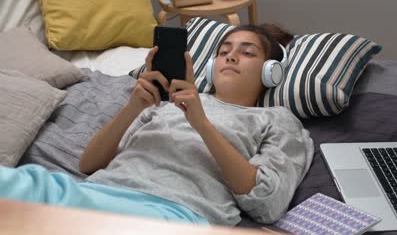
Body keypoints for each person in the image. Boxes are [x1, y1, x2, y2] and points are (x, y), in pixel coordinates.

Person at [0, 24, 314, 226]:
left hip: (171, 214)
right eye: (223, 51)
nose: (231, 57)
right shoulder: (164, 107)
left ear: (271, 72)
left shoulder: (276, 120)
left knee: (27, 193)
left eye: (247, 53)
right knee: (28, 187)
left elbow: (269, 203)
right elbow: (88, 163)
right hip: (96, 193)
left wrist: (201, 123)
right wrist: (133, 106)